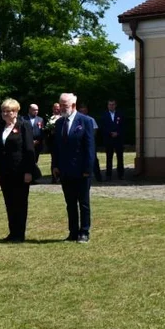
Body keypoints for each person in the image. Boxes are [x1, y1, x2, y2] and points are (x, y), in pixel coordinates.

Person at [0, 99, 36, 242]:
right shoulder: (0, 127)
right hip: (4, 172)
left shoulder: (24, 125)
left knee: (20, 203)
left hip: (20, 172)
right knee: (9, 203)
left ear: (16, 112)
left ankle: (19, 234)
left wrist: (29, 171)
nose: (5, 113)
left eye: (9, 111)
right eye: (3, 110)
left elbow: (29, 149)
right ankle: (12, 232)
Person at [52, 93, 96, 243]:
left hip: (81, 170)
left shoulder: (85, 121)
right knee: (70, 203)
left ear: (73, 105)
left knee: (83, 203)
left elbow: (90, 148)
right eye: (60, 105)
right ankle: (73, 232)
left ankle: (84, 232)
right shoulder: (59, 124)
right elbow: (56, 148)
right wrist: (55, 166)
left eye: (65, 105)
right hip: (65, 170)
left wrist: (87, 170)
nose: (61, 108)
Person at [100, 100, 125, 180]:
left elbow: (123, 126)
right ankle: (108, 175)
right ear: (107, 105)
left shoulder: (120, 114)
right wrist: (110, 133)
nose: (111, 106)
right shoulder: (104, 115)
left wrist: (118, 133)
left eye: (113, 104)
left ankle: (121, 174)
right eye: (110, 105)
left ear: (115, 105)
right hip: (109, 139)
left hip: (118, 139)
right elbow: (103, 127)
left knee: (120, 157)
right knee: (109, 157)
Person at [47, 102, 63, 183]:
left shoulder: (64, 117)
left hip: (63, 142)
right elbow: (47, 131)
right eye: (55, 108)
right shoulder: (51, 118)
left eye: (58, 108)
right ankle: (54, 177)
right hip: (54, 142)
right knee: (54, 160)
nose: (57, 110)